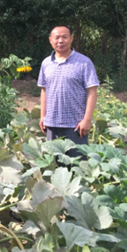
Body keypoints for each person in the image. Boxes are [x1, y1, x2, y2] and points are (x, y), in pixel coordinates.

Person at [38, 26, 99, 158]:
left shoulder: (84, 62)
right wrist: (43, 115)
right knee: (56, 167)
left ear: (71, 39)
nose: (61, 40)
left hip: (76, 125)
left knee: (77, 165)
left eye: (65, 37)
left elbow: (92, 92)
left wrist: (87, 120)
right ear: (50, 40)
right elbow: (44, 90)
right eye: (57, 37)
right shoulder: (46, 63)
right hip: (52, 124)